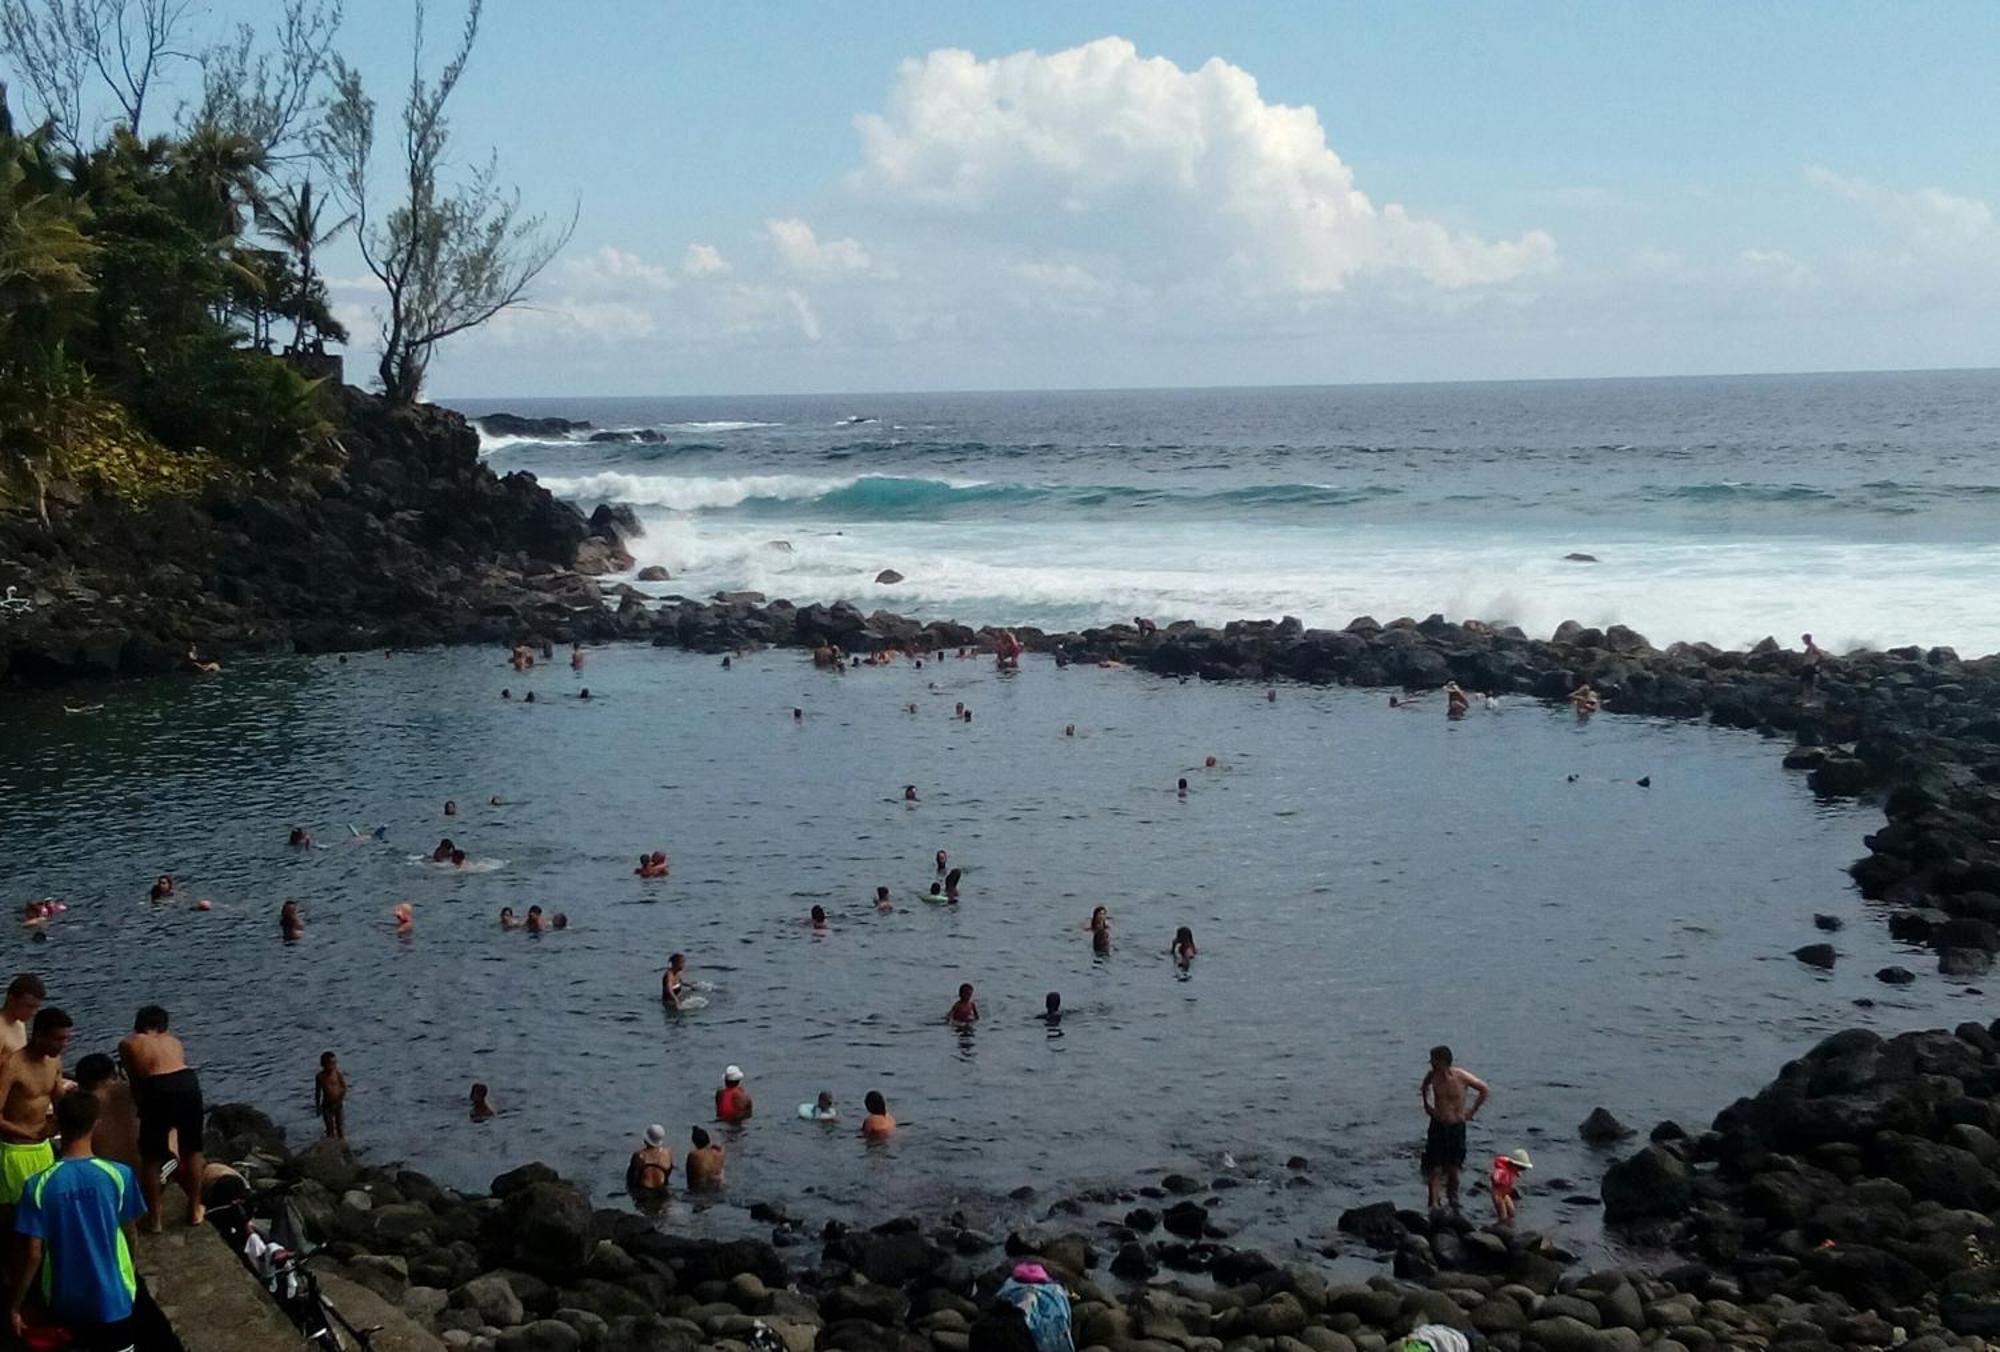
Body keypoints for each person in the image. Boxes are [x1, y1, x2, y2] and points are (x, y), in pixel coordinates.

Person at [10, 1091, 145, 1349]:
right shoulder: (119, 1175)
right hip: (115, 1298)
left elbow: (33, 1255)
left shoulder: (37, 1185)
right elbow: (130, 1232)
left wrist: (16, 1305)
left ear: (58, 1124)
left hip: (65, 1300)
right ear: (96, 1124)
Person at [119, 1006, 203, 1230]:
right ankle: (195, 1209)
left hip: (157, 1086)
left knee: (151, 1157)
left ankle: (154, 1217)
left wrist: (141, 1109)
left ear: (138, 1024)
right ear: (163, 1026)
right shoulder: (174, 1041)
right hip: (188, 1081)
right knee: (192, 1149)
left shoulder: (130, 1043)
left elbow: (137, 1081)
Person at [0, 1008, 69, 1230]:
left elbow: (61, 1102)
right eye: (58, 1039)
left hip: (43, 1148)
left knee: (46, 1213)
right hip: (15, 1152)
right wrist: (27, 1134)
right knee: (16, 1219)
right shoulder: (12, 1066)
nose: (63, 1044)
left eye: (66, 1039)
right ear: (39, 1035)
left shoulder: (54, 1061)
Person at [1420, 1045, 1490, 1212]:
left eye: (1433, 1060)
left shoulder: (1461, 1076)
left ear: (1442, 1061)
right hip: (1438, 1124)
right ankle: (1434, 1203)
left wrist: (1472, 1111)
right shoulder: (1432, 1076)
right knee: (1435, 1167)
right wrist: (1427, 1106)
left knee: (1453, 1168)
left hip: (1456, 1126)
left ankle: (1453, 1198)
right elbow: (1424, 1087)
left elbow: (1484, 1089)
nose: (1431, 1064)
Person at [73, 1057, 139, 1176]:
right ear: (113, 1074)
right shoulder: (132, 1092)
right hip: (138, 1170)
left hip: (103, 1172)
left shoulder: (82, 1103)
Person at [0, 975, 45, 1057]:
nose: (33, 1012)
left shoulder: (20, 1023)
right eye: (29, 1006)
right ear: (11, 1000)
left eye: (36, 1007)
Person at [626, 1125, 673, 1202]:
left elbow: (631, 1179)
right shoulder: (668, 1153)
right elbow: (668, 1173)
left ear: (646, 1139)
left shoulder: (639, 1155)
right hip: (662, 1191)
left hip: (644, 1192)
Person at [1490, 1147, 1532, 1224]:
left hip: (1505, 1194)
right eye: (1520, 1168)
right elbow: (1494, 1176)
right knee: (1503, 1213)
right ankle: (1501, 1225)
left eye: (1523, 1169)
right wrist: (1497, 1179)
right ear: (1513, 1164)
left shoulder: (1512, 1170)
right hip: (1498, 1194)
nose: (1520, 1170)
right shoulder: (1502, 1171)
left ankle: (1508, 1223)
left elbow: (1513, 1172)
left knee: (1512, 1211)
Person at [314, 1053, 346, 1140]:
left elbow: (344, 1086)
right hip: (327, 1105)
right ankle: (331, 1143)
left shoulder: (337, 1074)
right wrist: (317, 1106)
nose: (333, 1066)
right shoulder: (320, 1077)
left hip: (338, 1104)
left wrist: (342, 1095)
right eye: (330, 1064)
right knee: (329, 1127)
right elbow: (317, 1093)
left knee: (340, 1126)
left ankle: (342, 1143)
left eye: (334, 1063)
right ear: (323, 1065)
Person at [1800, 632, 1824, 698]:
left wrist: (1815, 664)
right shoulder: (1810, 647)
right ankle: (1807, 697)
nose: (1803, 641)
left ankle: (1809, 698)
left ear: (1807, 639)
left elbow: (1821, 655)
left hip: (1809, 667)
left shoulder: (1812, 646)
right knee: (1805, 682)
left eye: (1804, 640)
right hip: (1807, 666)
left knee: (1808, 683)